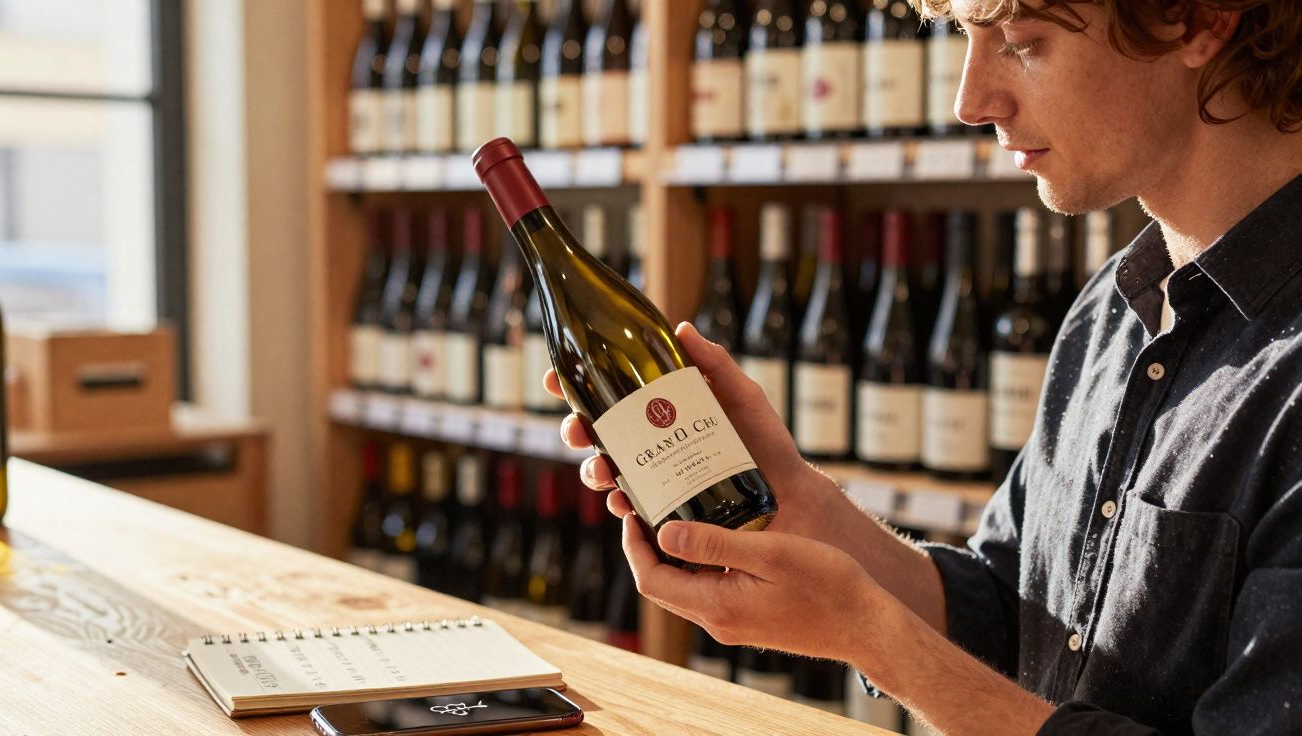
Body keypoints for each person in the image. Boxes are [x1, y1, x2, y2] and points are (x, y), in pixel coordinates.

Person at [549, 0, 1302, 733]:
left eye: (1022, 42)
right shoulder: (1109, 310)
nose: (969, 101)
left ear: (1200, 20)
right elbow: (1018, 620)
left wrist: (877, 639)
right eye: (967, 42)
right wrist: (812, 512)